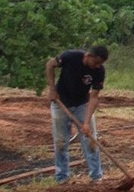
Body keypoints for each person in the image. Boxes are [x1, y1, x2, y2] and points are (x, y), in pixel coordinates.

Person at [44, 45, 110, 184]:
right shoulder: (69, 57)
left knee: (91, 140)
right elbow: (50, 64)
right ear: (88, 56)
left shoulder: (99, 71)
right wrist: (52, 89)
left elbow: (94, 97)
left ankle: (96, 176)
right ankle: (62, 177)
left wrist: (86, 123)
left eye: (100, 64)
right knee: (61, 141)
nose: (98, 66)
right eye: (96, 62)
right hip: (60, 103)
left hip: (82, 105)